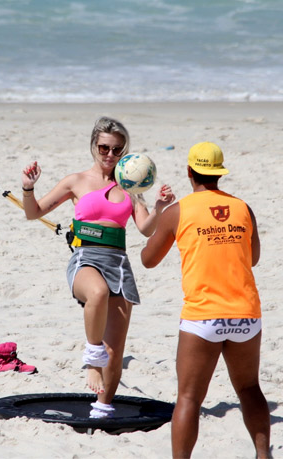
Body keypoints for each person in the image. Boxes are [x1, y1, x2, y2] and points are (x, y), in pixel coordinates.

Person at [21, 116, 175, 418]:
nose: (110, 155)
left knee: (115, 352)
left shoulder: (129, 185)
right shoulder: (75, 181)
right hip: (86, 259)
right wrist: (28, 188)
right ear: (94, 145)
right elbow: (34, 212)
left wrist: (159, 207)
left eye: (117, 150)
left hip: (118, 264)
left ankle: (103, 408)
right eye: (104, 147)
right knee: (98, 293)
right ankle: (92, 357)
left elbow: (144, 229)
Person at [140, 142, 270, 458]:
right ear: (219, 173)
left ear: (189, 172)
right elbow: (253, 258)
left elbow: (148, 259)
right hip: (245, 314)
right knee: (250, 389)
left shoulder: (178, 211)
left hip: (203, 317)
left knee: (188, 398)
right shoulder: (243, 207)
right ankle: (264, 455)